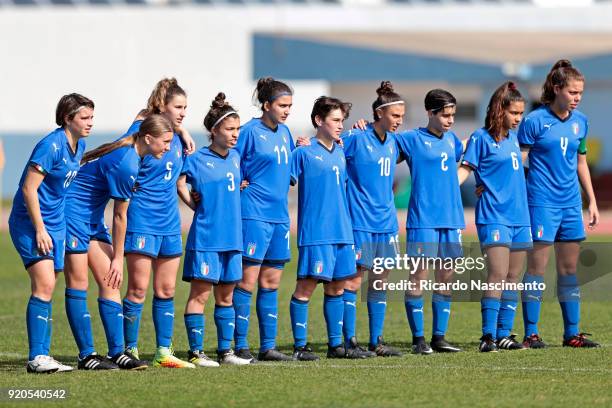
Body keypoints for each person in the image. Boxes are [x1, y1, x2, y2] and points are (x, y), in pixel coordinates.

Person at [63, 115, 173, 370]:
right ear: (148, 138)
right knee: (80, 282)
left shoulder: (135, 146)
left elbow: (144, 116)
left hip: (90, 218)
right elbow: (120, 216)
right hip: (72, 215)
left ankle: (116, 352)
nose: (168, 147)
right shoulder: (128, 163)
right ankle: (87, 356)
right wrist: (118, 258)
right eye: (165, 142)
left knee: (109, 282)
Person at [9, 93, 93, 373]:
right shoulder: (50, 145)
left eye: (92, 117)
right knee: (44, 284)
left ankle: (43, 356)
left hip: (56, 224)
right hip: (31, 223)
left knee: (49, 287)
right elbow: (28, 189)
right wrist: (41, 229)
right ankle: (37, 357)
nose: (90, 123)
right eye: (84, 118)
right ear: (67, 119)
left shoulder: (79, 146)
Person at [518, 60, 600, 348]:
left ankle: (572, 335)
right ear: (557, 89)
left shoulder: (581, 122)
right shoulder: (534, 121)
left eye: (581, 93)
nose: (578, 98)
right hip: (541, 203)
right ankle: (531, 334)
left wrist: (591, 201)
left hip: (570, 205)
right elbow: (518, 162)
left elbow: (580, 163)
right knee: (537, 270)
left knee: (569, 270)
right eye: (573, 92)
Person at [121, 78, 195, 368]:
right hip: (141, 220)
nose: (183, 113)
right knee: (138, 289)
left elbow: (180, 183)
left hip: (170, 224)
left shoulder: (178, 141)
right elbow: (140, 123)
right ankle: (129, 349)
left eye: (186, 108)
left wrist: (196, 206)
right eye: (178, 106)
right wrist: (177, 126)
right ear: (161, 106)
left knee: (166, 290)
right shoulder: (143, 132)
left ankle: (164, 352)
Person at [177, 93, 251, 366]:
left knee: (227, 296)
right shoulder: (196, 159)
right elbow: (180, 183)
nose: (235, 135)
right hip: (207, 238)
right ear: (214, 131)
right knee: (200, 295)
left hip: (233, 238)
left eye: (237, 129)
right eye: (229, 129)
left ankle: (226, 352)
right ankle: (196, 353)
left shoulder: (236, 158)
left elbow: (236, 184)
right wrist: (193, 204)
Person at [289, 96, 365, 361]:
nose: (340, 125)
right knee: (305, 289)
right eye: (335, 120)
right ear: (318, 120)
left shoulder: (342, 152)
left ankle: (336, 346)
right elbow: (281, 180)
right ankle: (300, 347)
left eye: (342, 121)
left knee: (337, 289)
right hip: (316, 233)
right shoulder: (303, 152)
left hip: (342, 232)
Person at [458, 82, 531, 352]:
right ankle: (487, 336)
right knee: (498, 274)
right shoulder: (480, 137)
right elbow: (465, 170)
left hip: (520, 217)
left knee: (513, 276)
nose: (518, 119)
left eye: (522, 114)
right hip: (494, 216)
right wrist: (446, 190)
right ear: (500, 110)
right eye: (514, 113)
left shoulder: (514, 139)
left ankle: (504, 335)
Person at [395, 89, 464, 354]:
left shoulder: (453, 141)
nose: (450, 120)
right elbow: (382, 150)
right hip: (423, 220)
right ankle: (418, 339)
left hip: (452, 219)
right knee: (418, 277)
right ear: (430, 113)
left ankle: (439, 337)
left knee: (446, 278)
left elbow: (466, 164)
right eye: (445, 115)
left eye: (453, 115)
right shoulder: (411, 140)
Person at [338, 81, 405, 357]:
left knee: (380, 282)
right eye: (395, 116)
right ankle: (349, 341)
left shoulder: (394, 143)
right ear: (380, 113)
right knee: (353, 282)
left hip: (387, 223)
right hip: (360, 222)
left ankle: (377, 341)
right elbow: (329, 154)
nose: (399, 121)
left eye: (402, 116)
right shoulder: (356, 138)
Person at [232, 78, 295, 362]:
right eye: (282, 105)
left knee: (271, 282)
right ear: (266, 105)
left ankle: (267, 347)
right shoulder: (247, 132)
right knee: (247, 281)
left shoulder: (286, 133)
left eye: (289, 106)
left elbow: (290, 172)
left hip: (280, 217)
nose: (286, 111)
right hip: (253, 213)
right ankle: (241, 346)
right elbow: (229, 163)